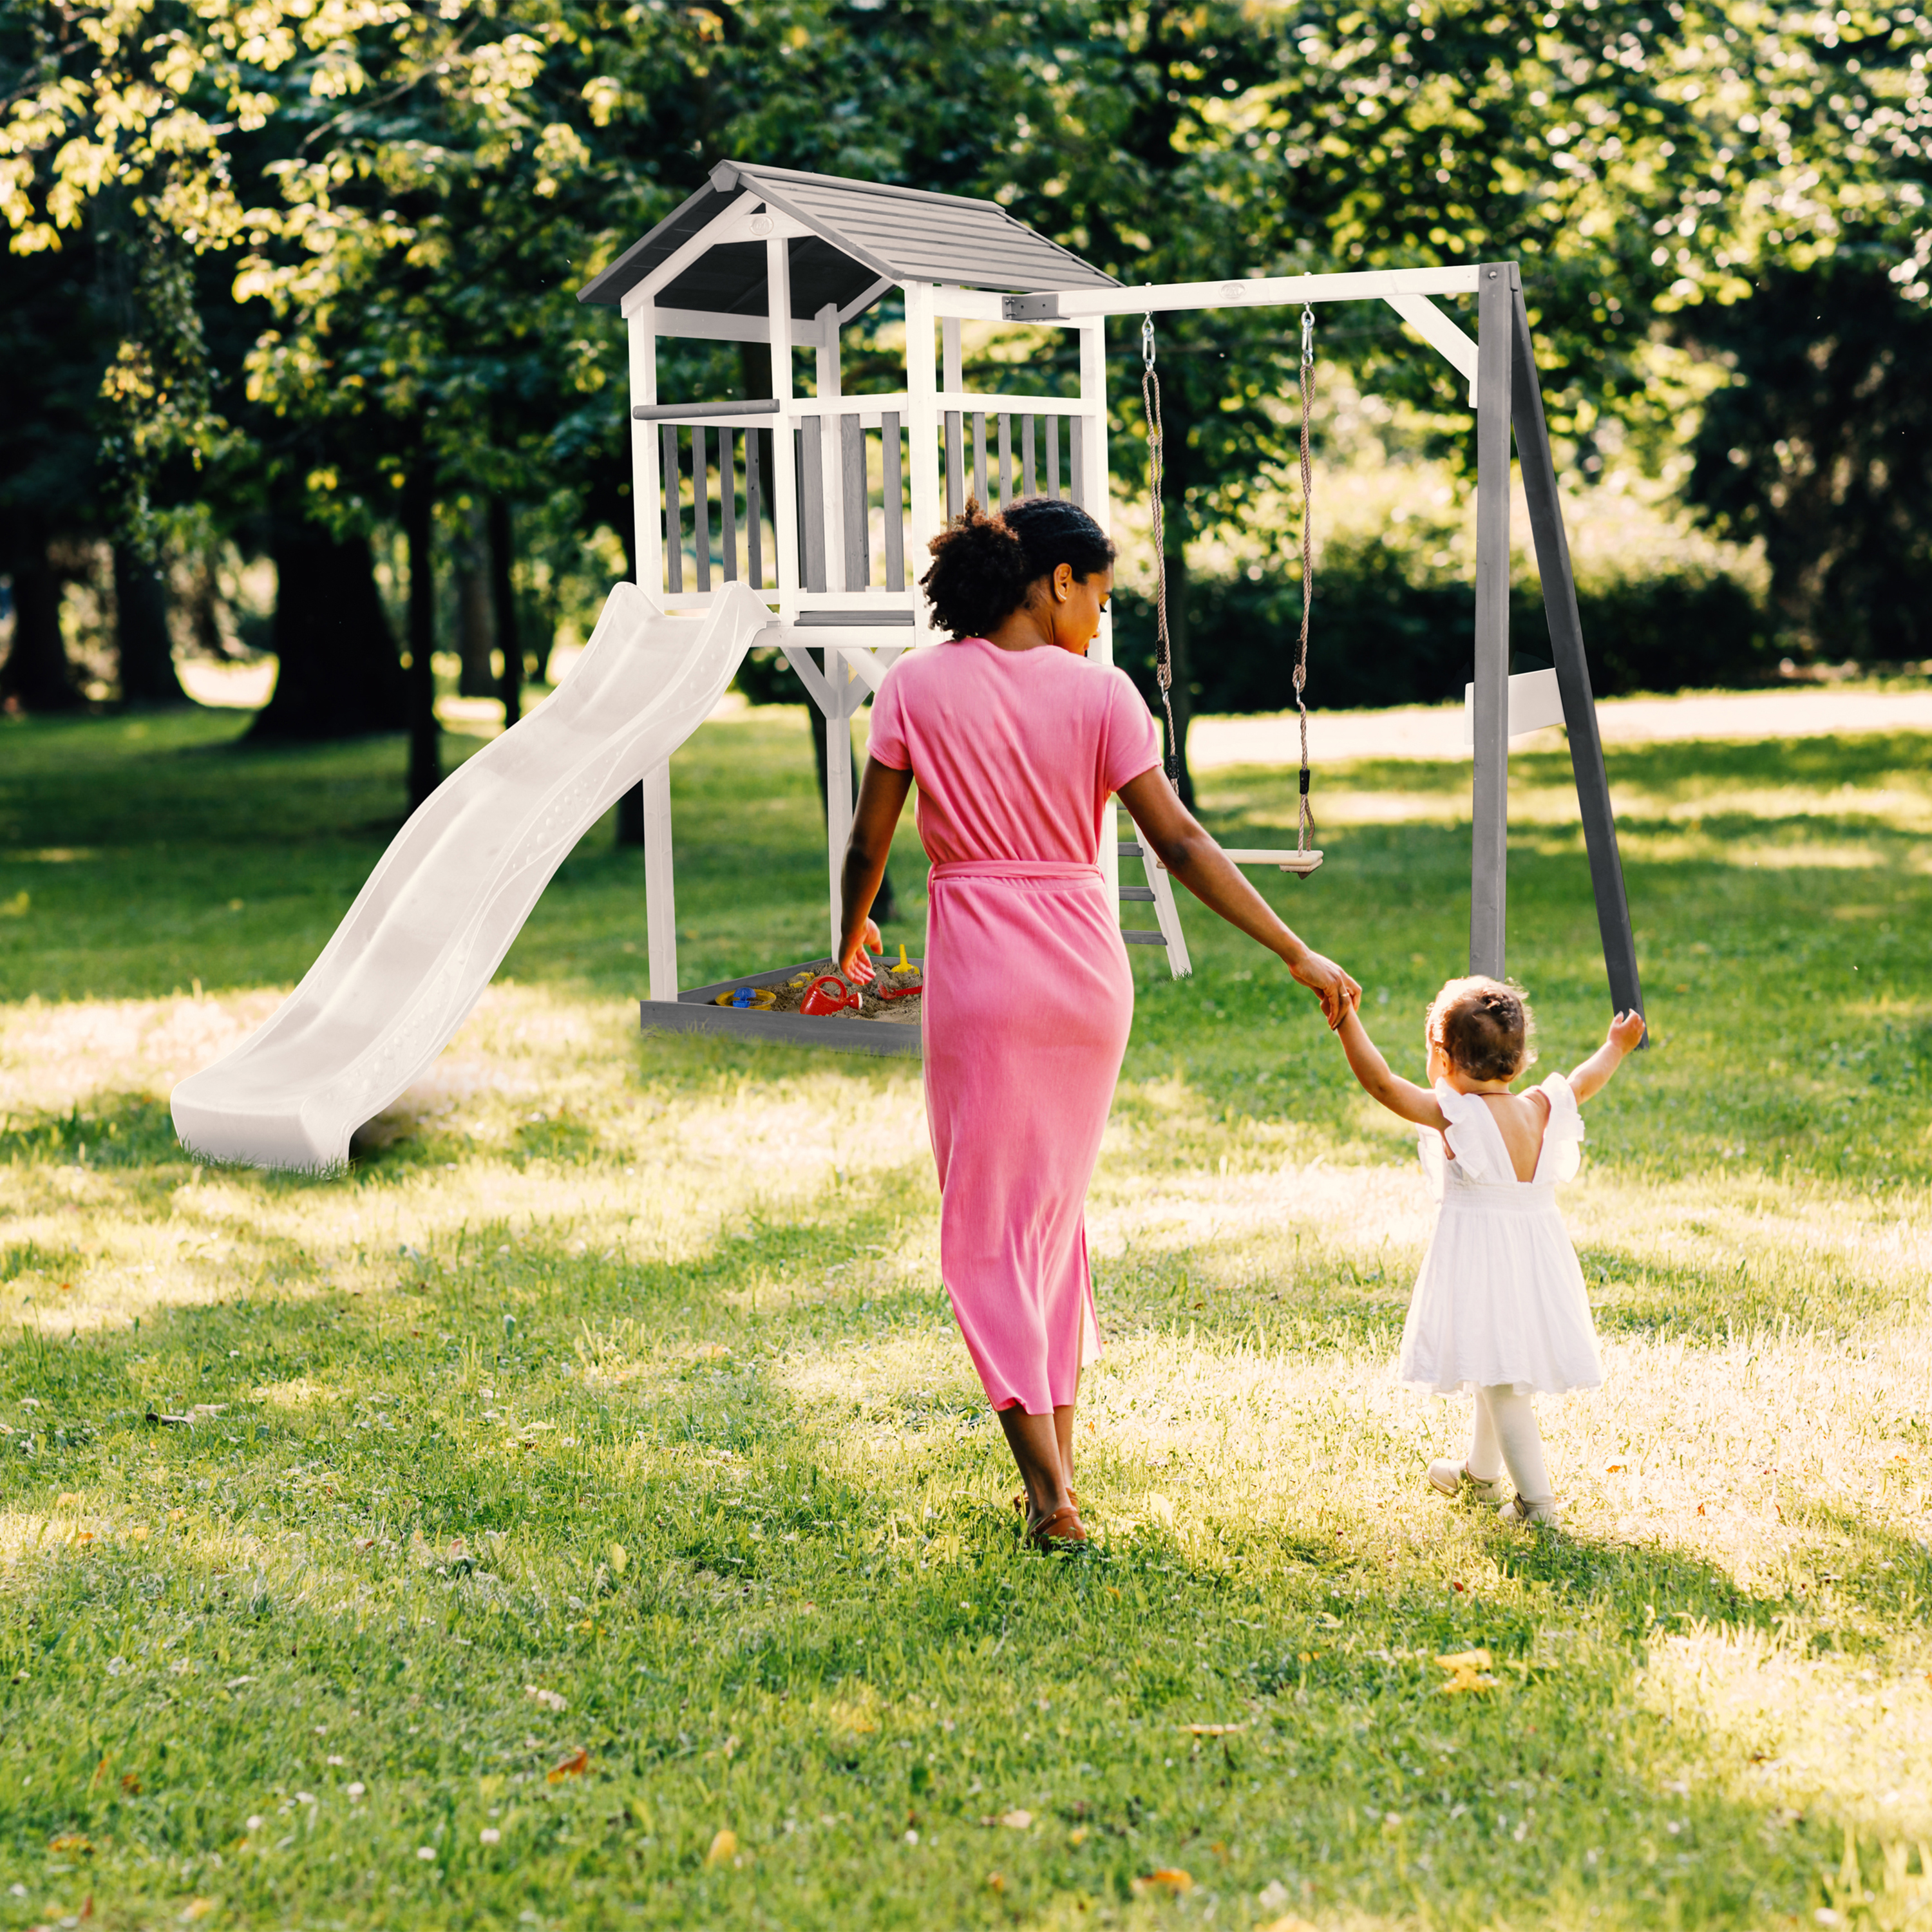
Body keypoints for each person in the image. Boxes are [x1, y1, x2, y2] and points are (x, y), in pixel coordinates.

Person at [835, 498, 1359, 1549]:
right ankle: (1059, 1478)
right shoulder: (1104, 696)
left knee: (986, 1234)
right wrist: (1293, 948)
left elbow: (867, 843)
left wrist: (848, 938)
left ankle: (1050, 1498)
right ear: (1057, 581)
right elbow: (1183, 844)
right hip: (1085, 978)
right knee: (1048, 1222)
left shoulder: (914, 687)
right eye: (1101, 598)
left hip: (984, 978)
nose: (1100, 620)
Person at [1330, 974, 1646, 1525]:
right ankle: (1480, 1476)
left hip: (1485, 1265)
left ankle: (1537, 1505)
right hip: (1536, 1263)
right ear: (1518, 1061)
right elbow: (1584, 1079)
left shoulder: (1457, 1115)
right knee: (1491, 1363)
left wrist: (1345, 1019)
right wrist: (1615, 1047)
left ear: (1443, 1057)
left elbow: (1381, 1083)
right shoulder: (1541, 1106)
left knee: (1502, 1385)